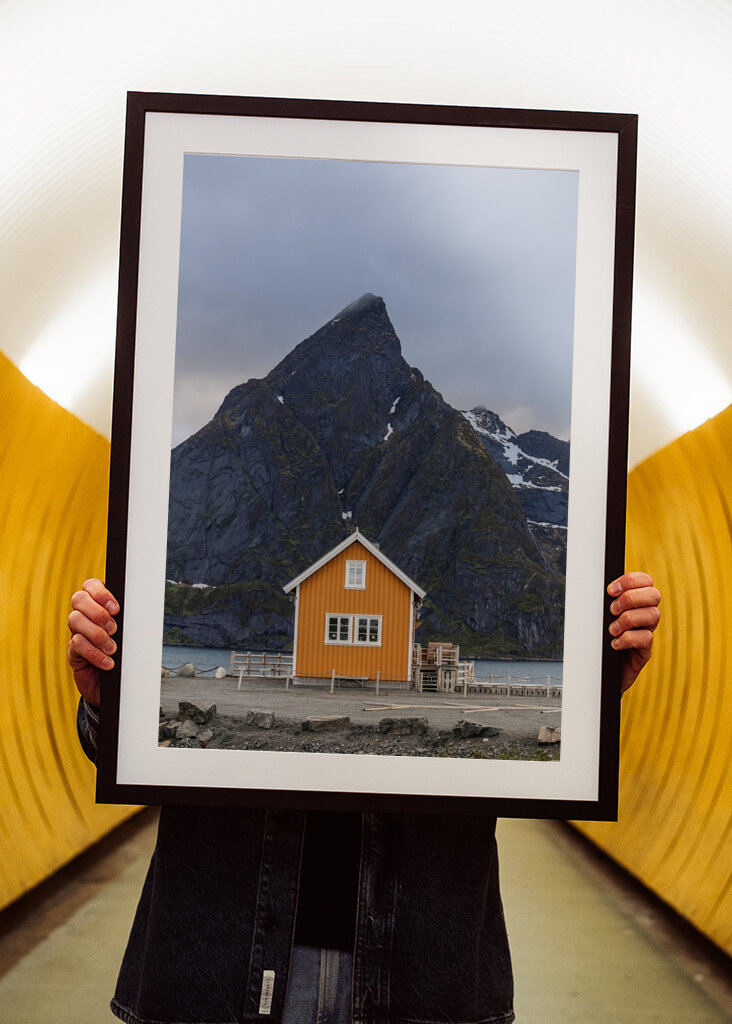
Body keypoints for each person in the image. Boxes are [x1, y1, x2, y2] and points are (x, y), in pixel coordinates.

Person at [68, 572, 661, 1024]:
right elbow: (123, 753)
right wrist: (109, 703)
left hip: (423, 969)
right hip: (219, 960)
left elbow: (559, 765)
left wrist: (594, 700)